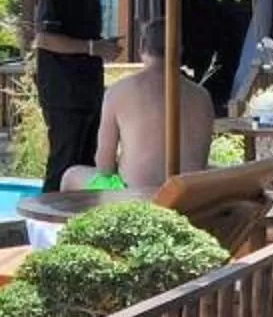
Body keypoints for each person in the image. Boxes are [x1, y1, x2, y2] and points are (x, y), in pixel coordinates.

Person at [70, 16, 215, 192]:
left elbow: (104, 168)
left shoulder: (117, 92)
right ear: (180, 50)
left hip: (135, 197)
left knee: (71, 176)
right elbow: (201, 159)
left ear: (141, 48)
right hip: (186, 196)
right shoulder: (202, 96)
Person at [32, 0, 118, 193]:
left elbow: (84, 38)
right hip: (62, 90)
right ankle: (45, 225)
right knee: (64, 160)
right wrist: (93, 47)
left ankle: (80, 221)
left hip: (88, 88)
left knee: (88, 160)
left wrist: (102, 47)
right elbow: (44, 38)